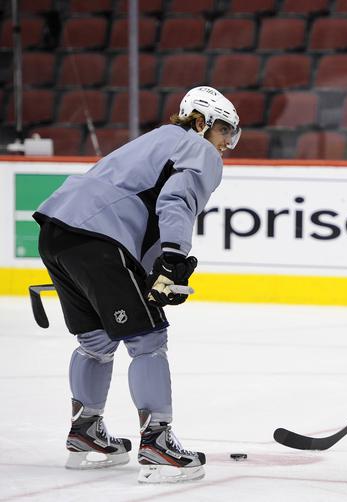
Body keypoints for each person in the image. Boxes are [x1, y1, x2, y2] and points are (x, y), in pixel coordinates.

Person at [33, 86, 240, 482]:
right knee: (148, 339)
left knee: (95, 342)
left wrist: (151, 271)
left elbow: (138, 210)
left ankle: (86, 431)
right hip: (100, 240)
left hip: (58, 230)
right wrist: (174, 260)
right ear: (200, 123)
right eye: (223, 131)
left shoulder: (156, 139)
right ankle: (158, 441)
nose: (226, 143)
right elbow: (175, 202)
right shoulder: (199, 150)